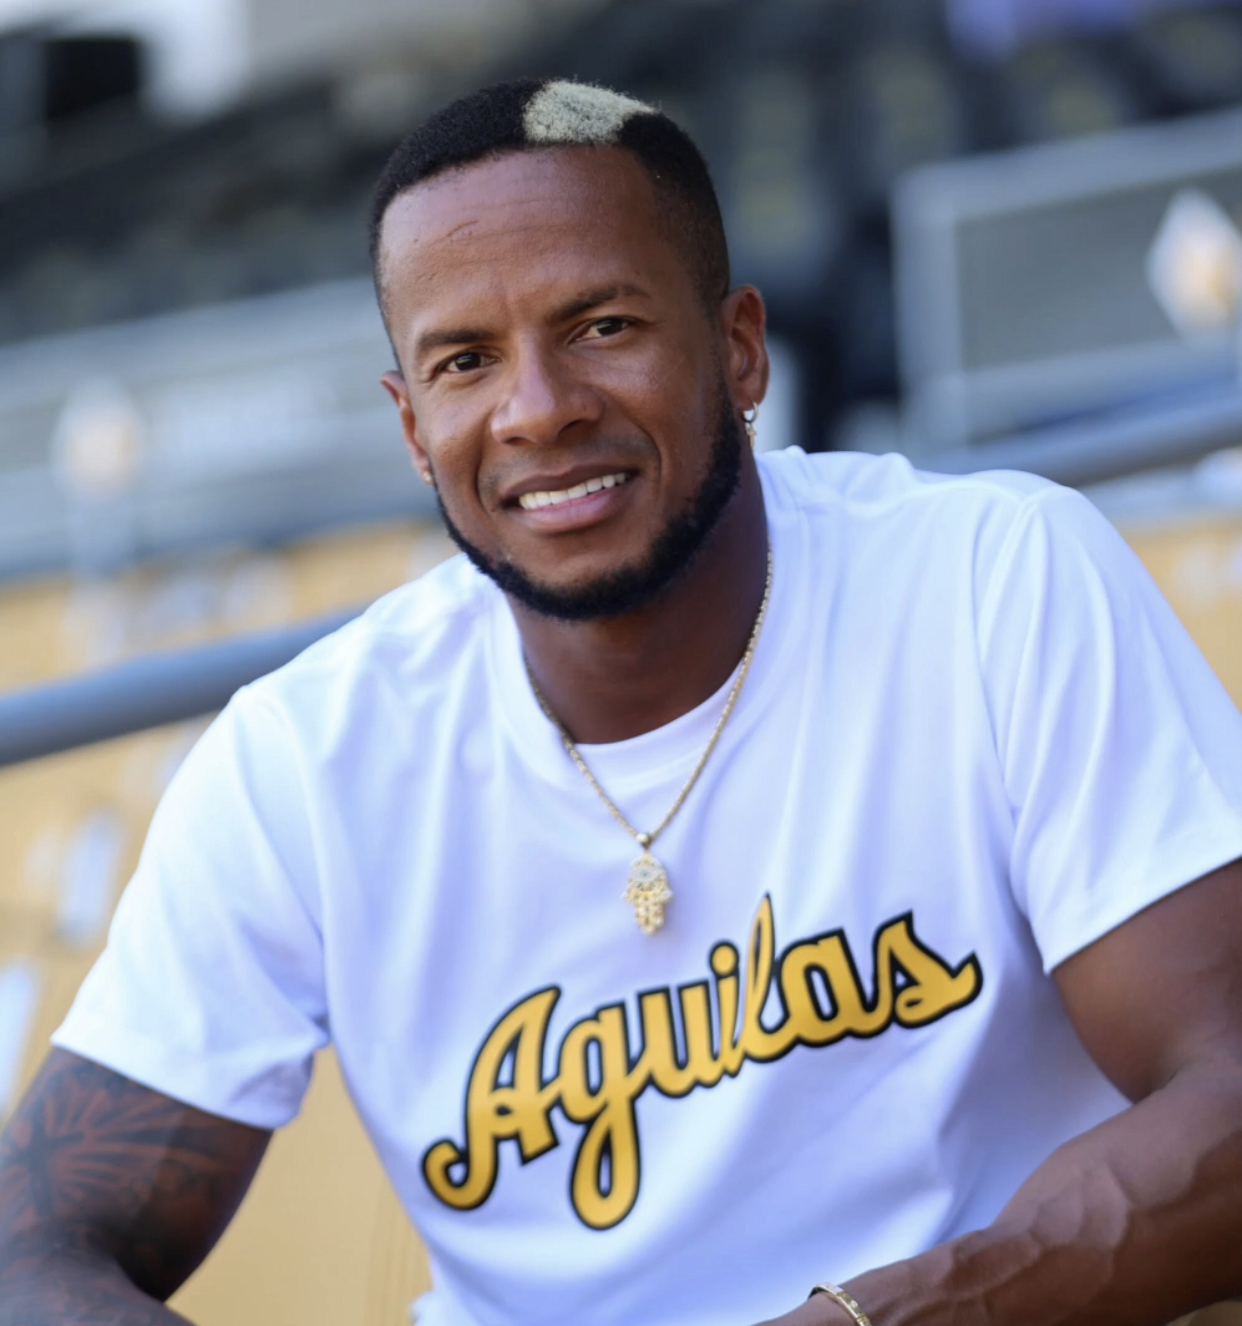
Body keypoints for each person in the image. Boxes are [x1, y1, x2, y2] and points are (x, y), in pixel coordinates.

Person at [1, 77, 1241, 1326]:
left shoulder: (993, 580)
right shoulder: (304, 759)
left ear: (740, 348)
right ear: (414, 427)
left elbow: (1228, 1092)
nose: (538, 409)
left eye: (602, 326)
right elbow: (33, 1245)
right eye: (466, 361)